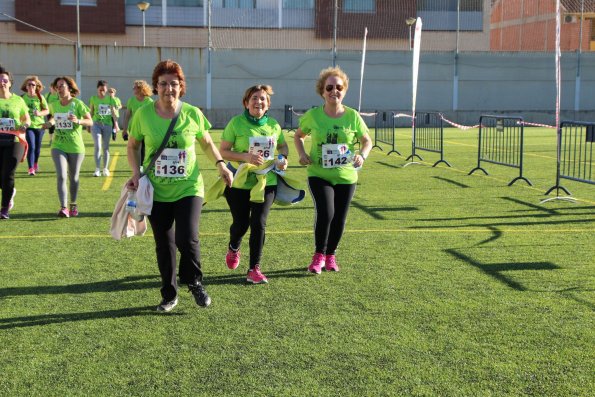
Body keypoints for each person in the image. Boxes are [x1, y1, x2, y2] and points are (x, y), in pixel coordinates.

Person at [127, 59, 233, 312]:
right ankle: (169, 294)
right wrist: (134, 172)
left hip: (188, 187)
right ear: (155, 87)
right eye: (163, 84)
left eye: (173, 84)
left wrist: (220, 164)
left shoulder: (192, 113)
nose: (168, 89)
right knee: (164, 244)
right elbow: (132, 145)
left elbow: (206, 142)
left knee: (188, 238)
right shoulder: (144, 114)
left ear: (181, 86)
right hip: (156, 189)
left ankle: (195, 281)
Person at [294, 66, 372, 274]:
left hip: (346, 176)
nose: (333, 91)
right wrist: (302, 154)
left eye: (338, 87)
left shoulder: (353, 116)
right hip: (319, 174)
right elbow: (298, 135)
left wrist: (361, 155)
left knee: (340, 217)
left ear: (344, 90)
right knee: (326, 212)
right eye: (329, 87)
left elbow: (367, 141)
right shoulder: (313, 116)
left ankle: (331, 256)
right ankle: (319, 255)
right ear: (322, 91)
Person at [219, 84, 289, 284]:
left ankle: (254, 269)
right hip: (239, 181)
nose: (259, 102)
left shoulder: (274, 125)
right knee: (241, 224)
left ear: (268, 105)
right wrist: (245, 156)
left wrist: (283, 158)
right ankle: (234, 246)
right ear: (246, 102)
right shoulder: (236, 123)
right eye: (254, 98)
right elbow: (223, 151)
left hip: (267, 181)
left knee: (259, 223)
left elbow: (283, 145)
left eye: (263, 99)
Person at [46, 76, 93, 218]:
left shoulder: (77, 104)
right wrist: (50, 123)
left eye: (62, 86)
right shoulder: (54, 104)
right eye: (57, 87)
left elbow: (90, 121)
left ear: (69, 88)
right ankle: (63, 207)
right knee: (61, 175)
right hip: (58, 144)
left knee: (74, 178)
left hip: (75, 146)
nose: (59, 89)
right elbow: (53, 117)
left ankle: (73, 203)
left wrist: (78, 120)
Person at [0, 65, 30, 219]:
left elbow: (27, 118)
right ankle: (10, 191)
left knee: (8, 173)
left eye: (4, 80)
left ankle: (4, 208)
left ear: (10, 83)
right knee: (2, 176)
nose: (2, 82)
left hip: (15, 140)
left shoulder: (18, 100)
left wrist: (25, 125)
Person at [20, 75, 49, 176]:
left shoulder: (40, 97)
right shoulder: (22, 98)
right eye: (29, 85)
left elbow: (47, 110)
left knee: (37, 148)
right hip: (28, 126)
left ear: (36, 86)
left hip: (40, 126)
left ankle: (35, 163)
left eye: (33, 85)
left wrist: (39, 113)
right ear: (26, 86)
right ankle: (31, 168)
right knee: (31, 146)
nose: (31, 86)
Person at [89, 80, 117, 177]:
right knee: (98, 145)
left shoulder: (110, 98)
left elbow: (114, 111)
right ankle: (97, 169)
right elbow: (91, 112)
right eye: (100, 89)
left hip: (107, 125)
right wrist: (88, 124)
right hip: (96, 124)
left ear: (106, 89)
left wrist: (116, 125)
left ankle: (105, 168)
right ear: (97, 89)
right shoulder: (93, 98)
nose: (101, 91)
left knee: (105, 147)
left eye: (103, 90)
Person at [122, 80, 153, 165]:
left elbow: (151, 118)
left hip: (145, 129)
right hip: (133, 128)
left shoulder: (149, 101)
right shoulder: (131, 100)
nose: (133, 89)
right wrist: (124, 129)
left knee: (143, 149)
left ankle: (142, 167)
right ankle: (137, 168)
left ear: (141, 89)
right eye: (133, 88)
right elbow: (127, 115)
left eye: (135, 88)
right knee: (135, 149)